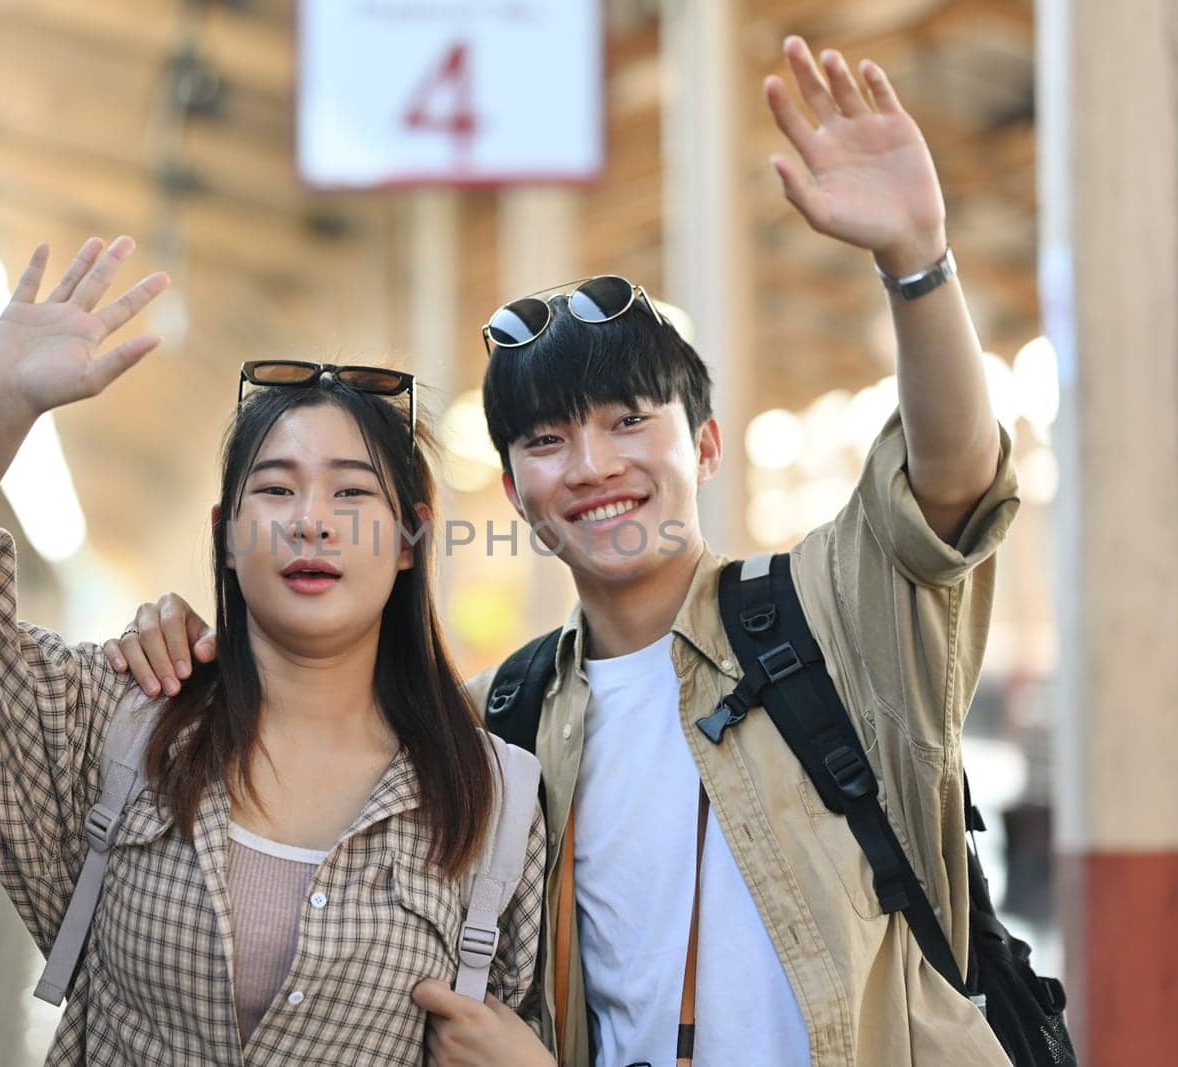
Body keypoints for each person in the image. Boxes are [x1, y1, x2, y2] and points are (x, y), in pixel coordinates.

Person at [107, 35, 1020, 1067]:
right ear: (513, 493)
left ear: (706, 445)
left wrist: (916, 262)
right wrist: (193, 643)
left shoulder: (830, 621)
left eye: (630, 421)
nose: (590, 464)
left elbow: (947, 484)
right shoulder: (503, 721)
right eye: (545, 439)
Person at [0, 237, 546, 1066]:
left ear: (409, 541)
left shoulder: (491, 804)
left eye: (352, 492)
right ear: (226, 536)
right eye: (275, 489)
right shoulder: (118, 723)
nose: (311, 519)